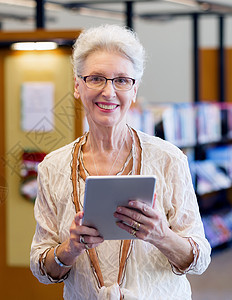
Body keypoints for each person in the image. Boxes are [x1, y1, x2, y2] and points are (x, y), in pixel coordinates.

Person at [30, 24, 211, 300]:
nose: (108, 92)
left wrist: (161, 235)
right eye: (96, 78)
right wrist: (70, 248)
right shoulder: (53, 167)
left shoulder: (168, 159)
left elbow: (200, 260)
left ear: (135, 90)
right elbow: (41, 268)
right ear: (78, 86)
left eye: (122, 80)